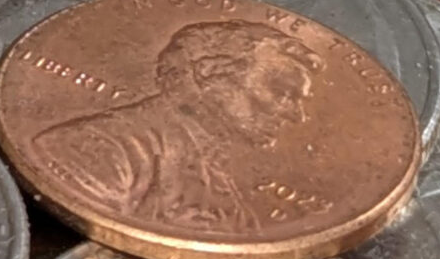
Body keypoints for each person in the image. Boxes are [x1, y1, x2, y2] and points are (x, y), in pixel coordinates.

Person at [36, 15, 320, 234]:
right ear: (210, 73)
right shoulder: (96, 147)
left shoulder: (223, 183)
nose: (296, 115)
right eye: (282, 93)